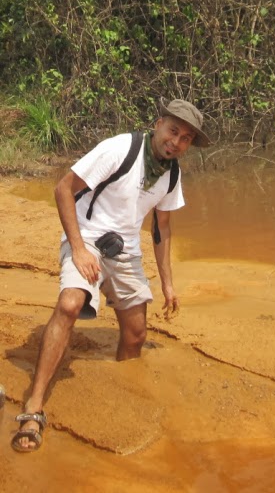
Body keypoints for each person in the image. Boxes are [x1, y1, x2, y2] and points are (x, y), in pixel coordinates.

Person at [11, 98, 210, 453]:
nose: (176, 142)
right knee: (71, 304)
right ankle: (33, 406)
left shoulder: (172, 174)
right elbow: (62, 189)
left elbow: (161, 229)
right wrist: (78, 248)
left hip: (126, 249)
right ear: (158, 123)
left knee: (136, 335)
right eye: (173, 130)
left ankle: (122, 397)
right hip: (86, 237)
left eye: (186, 138)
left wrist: (167, 283)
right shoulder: (120, 149)